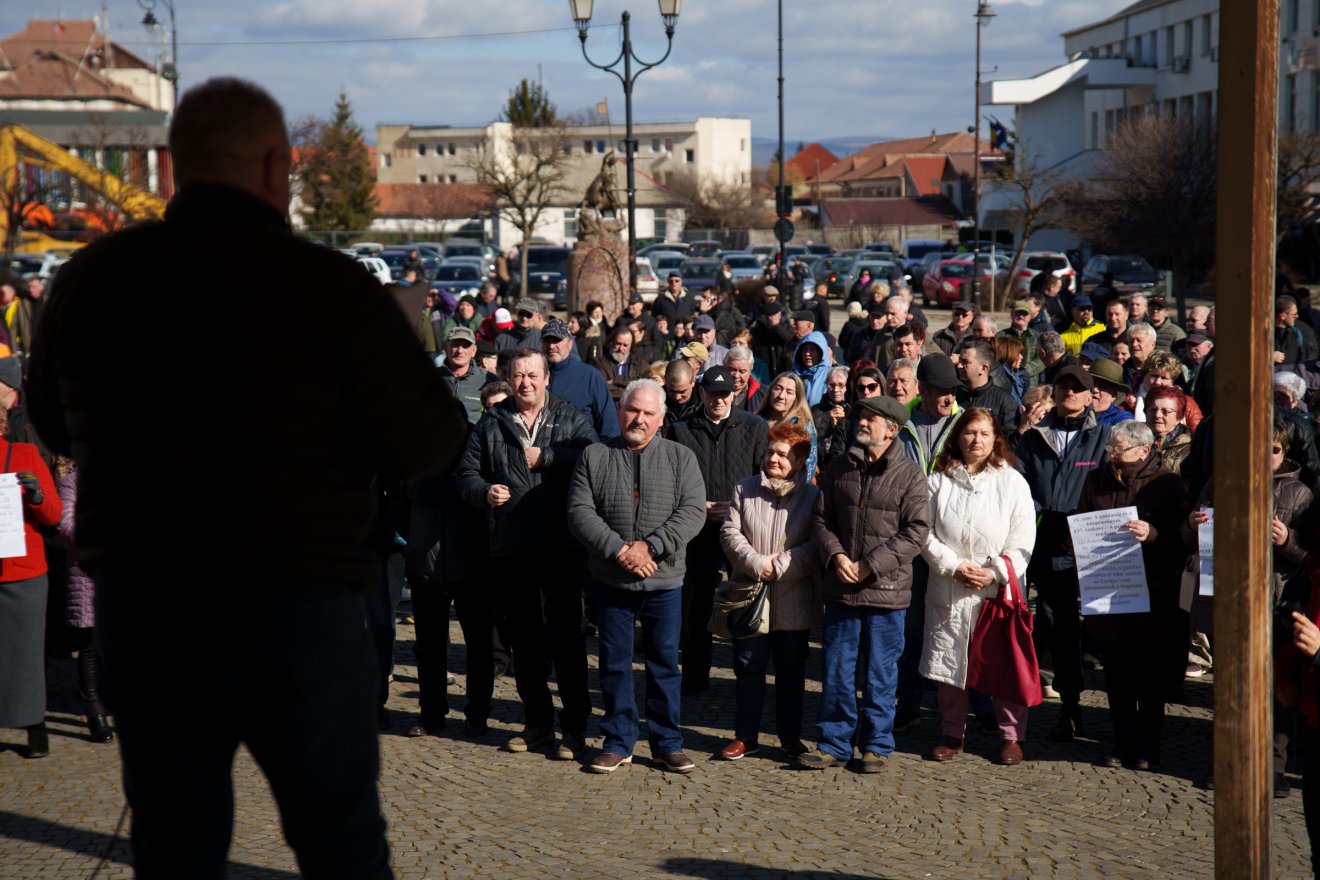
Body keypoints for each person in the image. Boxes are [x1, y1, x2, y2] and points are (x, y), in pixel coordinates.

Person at [28, 77, 465, 879]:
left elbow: (54, 423)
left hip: (149, 604)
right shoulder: (330, 288)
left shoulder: (90, 282)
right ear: (278, 166)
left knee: (174, 844)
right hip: (298, 604)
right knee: (339, 843)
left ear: (170, 168)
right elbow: (428, 442)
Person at [457, 350, 598, 759]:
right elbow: (466, 474)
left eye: (533, 375)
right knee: (525, 640)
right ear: (509, 378)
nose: (525, 383)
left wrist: (550, 457)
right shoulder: (492, 423)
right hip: (513, 546)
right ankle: (538, 723)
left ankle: (574, 728)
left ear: (547, 378)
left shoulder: (569, 417)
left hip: (562, 545)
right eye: (518, 376)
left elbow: (592, 457)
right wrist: (484, 492)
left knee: (567, 638)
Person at [567, 379, 706, 773]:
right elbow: (580, 512)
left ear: (661, 419)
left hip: (664, 581)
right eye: (633, 410)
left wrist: (652, 546)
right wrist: (620, 550)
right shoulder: (594, 455)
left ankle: (666, 742)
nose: (639, 419)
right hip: (612, 580)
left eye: (648, 413)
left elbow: (693, 511)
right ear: (619, 410)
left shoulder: (681, 458)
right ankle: (618, 739)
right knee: (614, 662)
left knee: (664, 663)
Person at [800, 393, 931, 771]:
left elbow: (916, 532)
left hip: (886, 591)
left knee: (880, 673)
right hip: (842, 588)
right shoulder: (839, 467)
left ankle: (876, 745)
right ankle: (834, 743)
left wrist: (869, 566)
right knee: (838, 670)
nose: (862, 421)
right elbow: (820, 520)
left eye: (871, 418)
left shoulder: (909, 475)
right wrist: (837, 557)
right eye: (861, 415)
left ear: (892, 429)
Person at [920, 408, 1037, 766]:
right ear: (957, 437)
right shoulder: (938, 479)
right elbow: (922, 531)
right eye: (970, 432)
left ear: (995, 438)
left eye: (985, 434)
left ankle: (1012, 736)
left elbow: (1023, 535)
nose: (977, 440)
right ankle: (952, 732)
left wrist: (998, 571)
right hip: (950, 584)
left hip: (994, 588)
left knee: (1004, 664)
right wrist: (953, 565)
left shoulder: (1011, 481)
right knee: (949, 664)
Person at [1079, 421, 1186, 770]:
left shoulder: (1167, 484)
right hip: (1109, 591)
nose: (1112, 455)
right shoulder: (1097, 480)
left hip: (1151, 595)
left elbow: (1183, 538)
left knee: (1148, 678)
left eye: (1119, 450)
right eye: (1110, 448)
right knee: (1117, 677)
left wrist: (1153, 532)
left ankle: (1148, 746)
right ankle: (1121, 741)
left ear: (1143, 450)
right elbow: (1080, 520)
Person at [1013, 365, 1110, 742]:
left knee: (1070, 628)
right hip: (1038, 543)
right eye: (1063, 386)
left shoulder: (1102, 437)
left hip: (1083, 547)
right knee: (1038, 622)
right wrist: (1042, 515)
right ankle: (1020, 701)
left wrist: (1080, 522)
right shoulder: (1034, 437)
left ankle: (1071, 706)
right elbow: (1018, 483)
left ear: (1091, 397)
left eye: (1077, 387)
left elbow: (1106, 490)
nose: (1069, 392)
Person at [718, 421, 822, 761]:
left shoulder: (812, 496)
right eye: (770, 452)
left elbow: (815, 545)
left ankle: (789, 735)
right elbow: (730, 533)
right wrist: (756, 562)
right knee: (748, 668)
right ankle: (745, 736)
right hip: (750, 595)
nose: (773, 459)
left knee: (791, 672)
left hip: (793, 600)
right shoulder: (745, 488)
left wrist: (781, 565)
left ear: (800, 460)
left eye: (782, 454)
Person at [666, 366, 769, 695]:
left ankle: (748, 676)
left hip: (740, 529)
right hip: (697, 530)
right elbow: (670, 480)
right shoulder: (680, 430)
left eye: (724, 394)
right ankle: (695, 675)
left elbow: (764, 477)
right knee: (695, 606)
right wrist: (699, 505)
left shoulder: (754, 427)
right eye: (712, 394)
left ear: (735, 394)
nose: (718, 400)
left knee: (743, 602)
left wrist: (738, 508)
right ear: (702, 393)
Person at [404, 401, 495, 738]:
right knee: (428, 646)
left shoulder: (476, 456)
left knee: (479, 645)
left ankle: (477, 714)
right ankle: (431, 713)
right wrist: (414, 544)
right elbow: (401, 506)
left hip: (472, 567)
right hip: (425, 567)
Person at [0, 406, 62, 758]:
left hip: (23, 571)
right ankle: (32, 729)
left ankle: (35, 728)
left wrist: (36, 494)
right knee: (26, 654)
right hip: (26, 572)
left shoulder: (23, 454)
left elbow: (52, 512)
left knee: (26, 654)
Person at [55, 457, 112, 743]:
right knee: (90, 646)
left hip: (120, 576)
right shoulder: (72, 483)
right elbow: (65, 525)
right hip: (88, 575)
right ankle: (94, 712)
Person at [543, 317, 621, 441]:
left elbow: (609, 424)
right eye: (547, 340)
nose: (551, 346)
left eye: (557, 340)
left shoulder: (590, 376)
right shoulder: (534, 376)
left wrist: (606, 455)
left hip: (581, 455)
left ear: (570, 344)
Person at [758, 371, 819, 479]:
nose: (781, 396)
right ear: (770, 391)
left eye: (789, 392)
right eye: (778, 388)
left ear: (797, 398)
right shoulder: (756, 420)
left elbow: (808, 468)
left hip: (790, 491)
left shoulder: (803, 425)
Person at [956, 339, 1019, 433]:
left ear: (983, 368)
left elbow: (1010, 442)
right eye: (959, 360)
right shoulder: (953, 395)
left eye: (965, 362)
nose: (959, 366)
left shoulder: (1004, 402)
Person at [440, 327, 497, 425]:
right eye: (455, 345)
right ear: (446, 348)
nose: (460, 351)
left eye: (465, 346)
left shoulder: (489, 381)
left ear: (474, 351)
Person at [1146, 385, 1193, 473]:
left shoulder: (1190, 451)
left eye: (1165, 411)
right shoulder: (1132, 439)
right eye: (1153, 409)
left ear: (1179, 417)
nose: (1157, 415)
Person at [813, 365, 853, 468]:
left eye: (841, 385)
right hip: (820, 465)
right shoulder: (816, 410)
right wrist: (828, 419)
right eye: (832, 385)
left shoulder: (854, 410)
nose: (835, 389)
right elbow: (811, 438)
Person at [1088, 357, 1135, 427]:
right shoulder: (1075, 412)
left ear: (1113, 395)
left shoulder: (1122, 419)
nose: (1095, 389)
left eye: (1102, 386)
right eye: (1091, 384)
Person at [793, 330, 832, 407]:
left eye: (812, 349)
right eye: (804, 349)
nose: (807, 354)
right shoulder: (794, 376)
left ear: (821, 352)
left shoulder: (831, 375)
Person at [662, 358, 702, 427]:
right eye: (672, 391)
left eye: (682, 391)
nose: (677, 397)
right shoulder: (656, 400)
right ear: (665, 380)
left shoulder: (705, 402)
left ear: (693, 382)